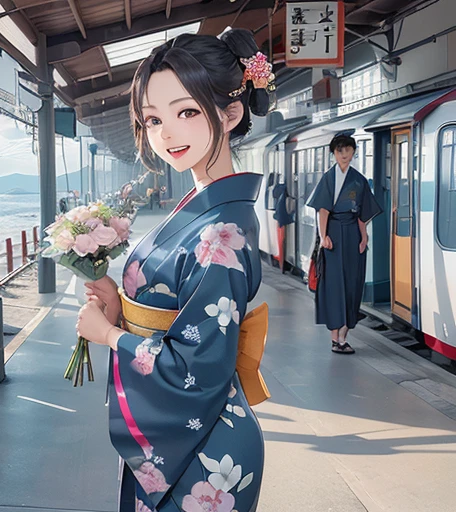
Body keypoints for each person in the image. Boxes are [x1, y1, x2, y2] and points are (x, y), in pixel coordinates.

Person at [76, 28, 274, 512]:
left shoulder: (220, 230)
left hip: (207, 455)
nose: (165, 133)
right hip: (195, 434)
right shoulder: (202, 206)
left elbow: (196, 371)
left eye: (185, 112)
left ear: (230, 114)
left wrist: (108, 336)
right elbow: (174, 319)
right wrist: (118, 307)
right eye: (152, 119)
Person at [307, 134, 382, 354]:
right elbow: (323, 210)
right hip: (333, 235)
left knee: (352, 283)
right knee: (334, 285)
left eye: (348, 150)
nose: (344, 155)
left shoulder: (358, 179)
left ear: (353, 152)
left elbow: (362, 212)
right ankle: (335, 338)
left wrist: (364, 236)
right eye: (340, 151)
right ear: (334, 153)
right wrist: (324, 237)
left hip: (353, 236)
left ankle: (344, 336)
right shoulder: (328, 178)